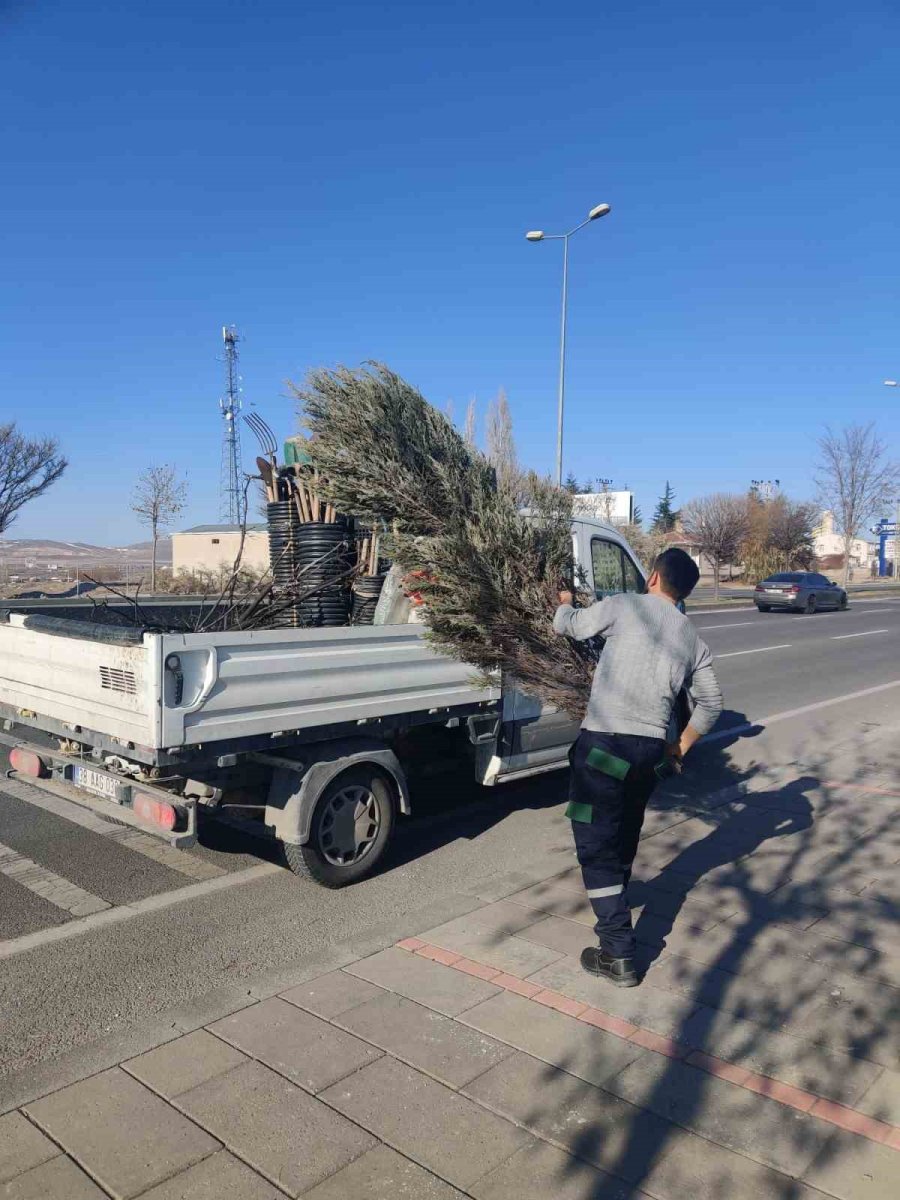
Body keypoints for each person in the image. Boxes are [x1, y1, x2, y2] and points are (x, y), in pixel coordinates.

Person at [553, 547, 722, 988]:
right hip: (647, 755)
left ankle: (617, 952)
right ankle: (616, 903)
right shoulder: (692, 638)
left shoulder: (625, 606)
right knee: (625, 828)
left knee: (593, 840)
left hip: (602, 749)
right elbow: (711, 704)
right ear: (684, 591)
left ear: (652, 577)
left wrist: (565, 604)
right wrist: (678, 748)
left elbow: (571, 626)